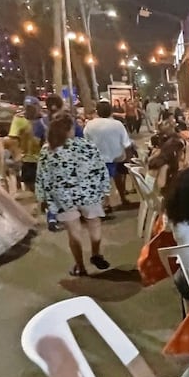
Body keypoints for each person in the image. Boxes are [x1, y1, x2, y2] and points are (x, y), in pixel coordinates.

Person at [36, 113, 112, 277]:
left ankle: (80, 266)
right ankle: (96, 254)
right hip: (89, 193)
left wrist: (42, 198)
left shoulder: (47, 150)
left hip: (63, 197)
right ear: (70, 129)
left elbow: (42, 176)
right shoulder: (87, 145)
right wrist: (106, 191)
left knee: (73, 232)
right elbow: (100, 169)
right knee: (94, 224)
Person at [36, 95, 84, 231]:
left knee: (51, 189)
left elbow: (36, 140)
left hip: (48, 158)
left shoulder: (42, 122)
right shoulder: (68, 121)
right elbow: (80, 138)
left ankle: (52, 217)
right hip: (69, 160)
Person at [84, 100, 134, 211]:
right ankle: (122, 198)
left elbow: (86, 143)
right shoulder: (117, 124)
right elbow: (127, 144)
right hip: (117, 157)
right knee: (118, 179)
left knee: (101, 183)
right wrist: (128, 158)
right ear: (111, 111)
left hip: (97, 159)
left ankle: (104, 205)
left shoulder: (90, 125)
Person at [8, 96, 43, 193]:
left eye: (31, 107)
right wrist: (17, 155)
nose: (29, 110)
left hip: (41, 158)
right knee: (29, 185)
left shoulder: (43, 120)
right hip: (26, 159)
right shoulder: (19, 119)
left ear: (37, 107)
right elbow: (13, 138)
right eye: (27, 108)